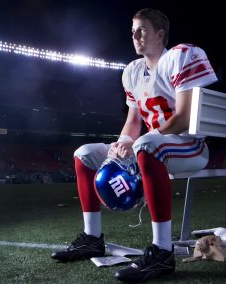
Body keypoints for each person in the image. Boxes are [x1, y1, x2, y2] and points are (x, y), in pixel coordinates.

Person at [51, 8, 217, 282]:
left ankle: (162, 252)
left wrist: (138, 142)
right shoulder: (132, 71)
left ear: (160, 34)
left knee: (148, 145)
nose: (135, 36)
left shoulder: (181, 56)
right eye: (133, 31)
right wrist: (122, 143)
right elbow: (133, 122)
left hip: (189, 145)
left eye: (142, 30)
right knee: (84, 154)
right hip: (149, 146)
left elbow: (185, 117)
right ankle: (92, 238)